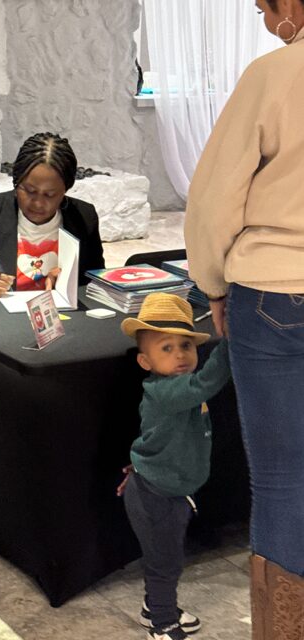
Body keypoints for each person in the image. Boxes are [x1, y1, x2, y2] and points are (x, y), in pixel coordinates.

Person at [184, 1, 304, 637]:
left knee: (284, 481)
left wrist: (211, 283)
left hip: (275, 291)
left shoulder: (274, 74)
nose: (262, 18)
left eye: (263, 6)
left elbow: (214, 198)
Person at [0, 132, 105, 514]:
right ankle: (9, 480)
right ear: (16, 183)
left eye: (51, 195)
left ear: (66, 191)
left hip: (61, 327)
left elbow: (93, 279)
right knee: (15, 390)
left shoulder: (83, 216)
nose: (38, 203)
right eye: (29, 191)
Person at [118, 293, 231, 640]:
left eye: (186, 345)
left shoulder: (177, 387)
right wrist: (229, 341)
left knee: (167, 557)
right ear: (145, 361)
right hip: (156, 495)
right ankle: (163, 623)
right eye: (166, 348)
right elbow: (207, 382)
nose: (180, 355)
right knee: (165, 563)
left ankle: (154, 607)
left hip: (167, 487)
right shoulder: (166, 392)